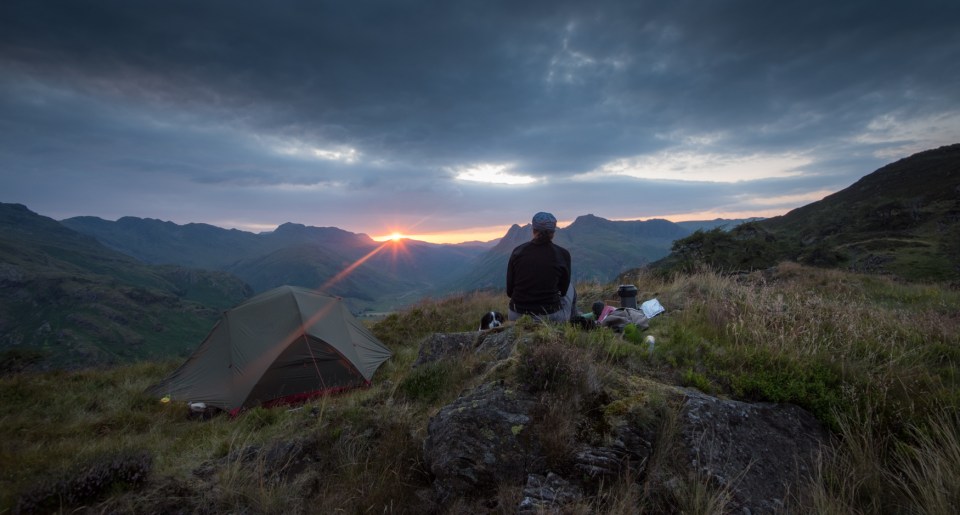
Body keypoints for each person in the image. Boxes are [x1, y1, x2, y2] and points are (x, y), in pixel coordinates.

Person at [506, 212, 576, 323]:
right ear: (553, 233)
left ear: (533, 230)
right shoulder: (562, 254)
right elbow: (563, 291)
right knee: (570, 288)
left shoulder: (517, 251)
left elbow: (509, 291)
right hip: (550, 316)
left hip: (516, 315)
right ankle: (572, 322)